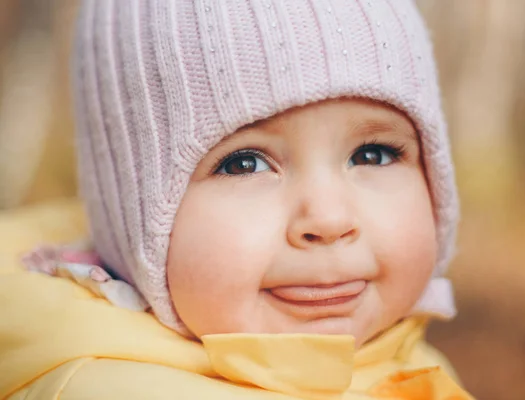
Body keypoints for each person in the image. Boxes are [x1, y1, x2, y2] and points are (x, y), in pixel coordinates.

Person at [0, 1, 473, 398]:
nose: (329, 219)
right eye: (244, 163)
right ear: (132, 218)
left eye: (373, 153)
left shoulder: (408, 363)